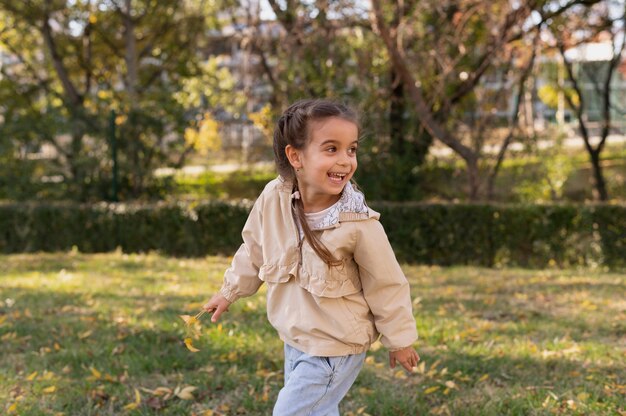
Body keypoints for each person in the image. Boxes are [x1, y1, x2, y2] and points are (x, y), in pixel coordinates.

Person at [203, 98, 419, 415]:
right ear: (295, 156)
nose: (345, 160)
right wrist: (229, 291)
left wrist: (399, 340)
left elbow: (386, 283)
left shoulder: (357, 223)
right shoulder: (274, 198)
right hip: (296, 338)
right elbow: (254, 249)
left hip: (335, 345)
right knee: (318, 411)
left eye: (352, 149)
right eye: (331, 149)